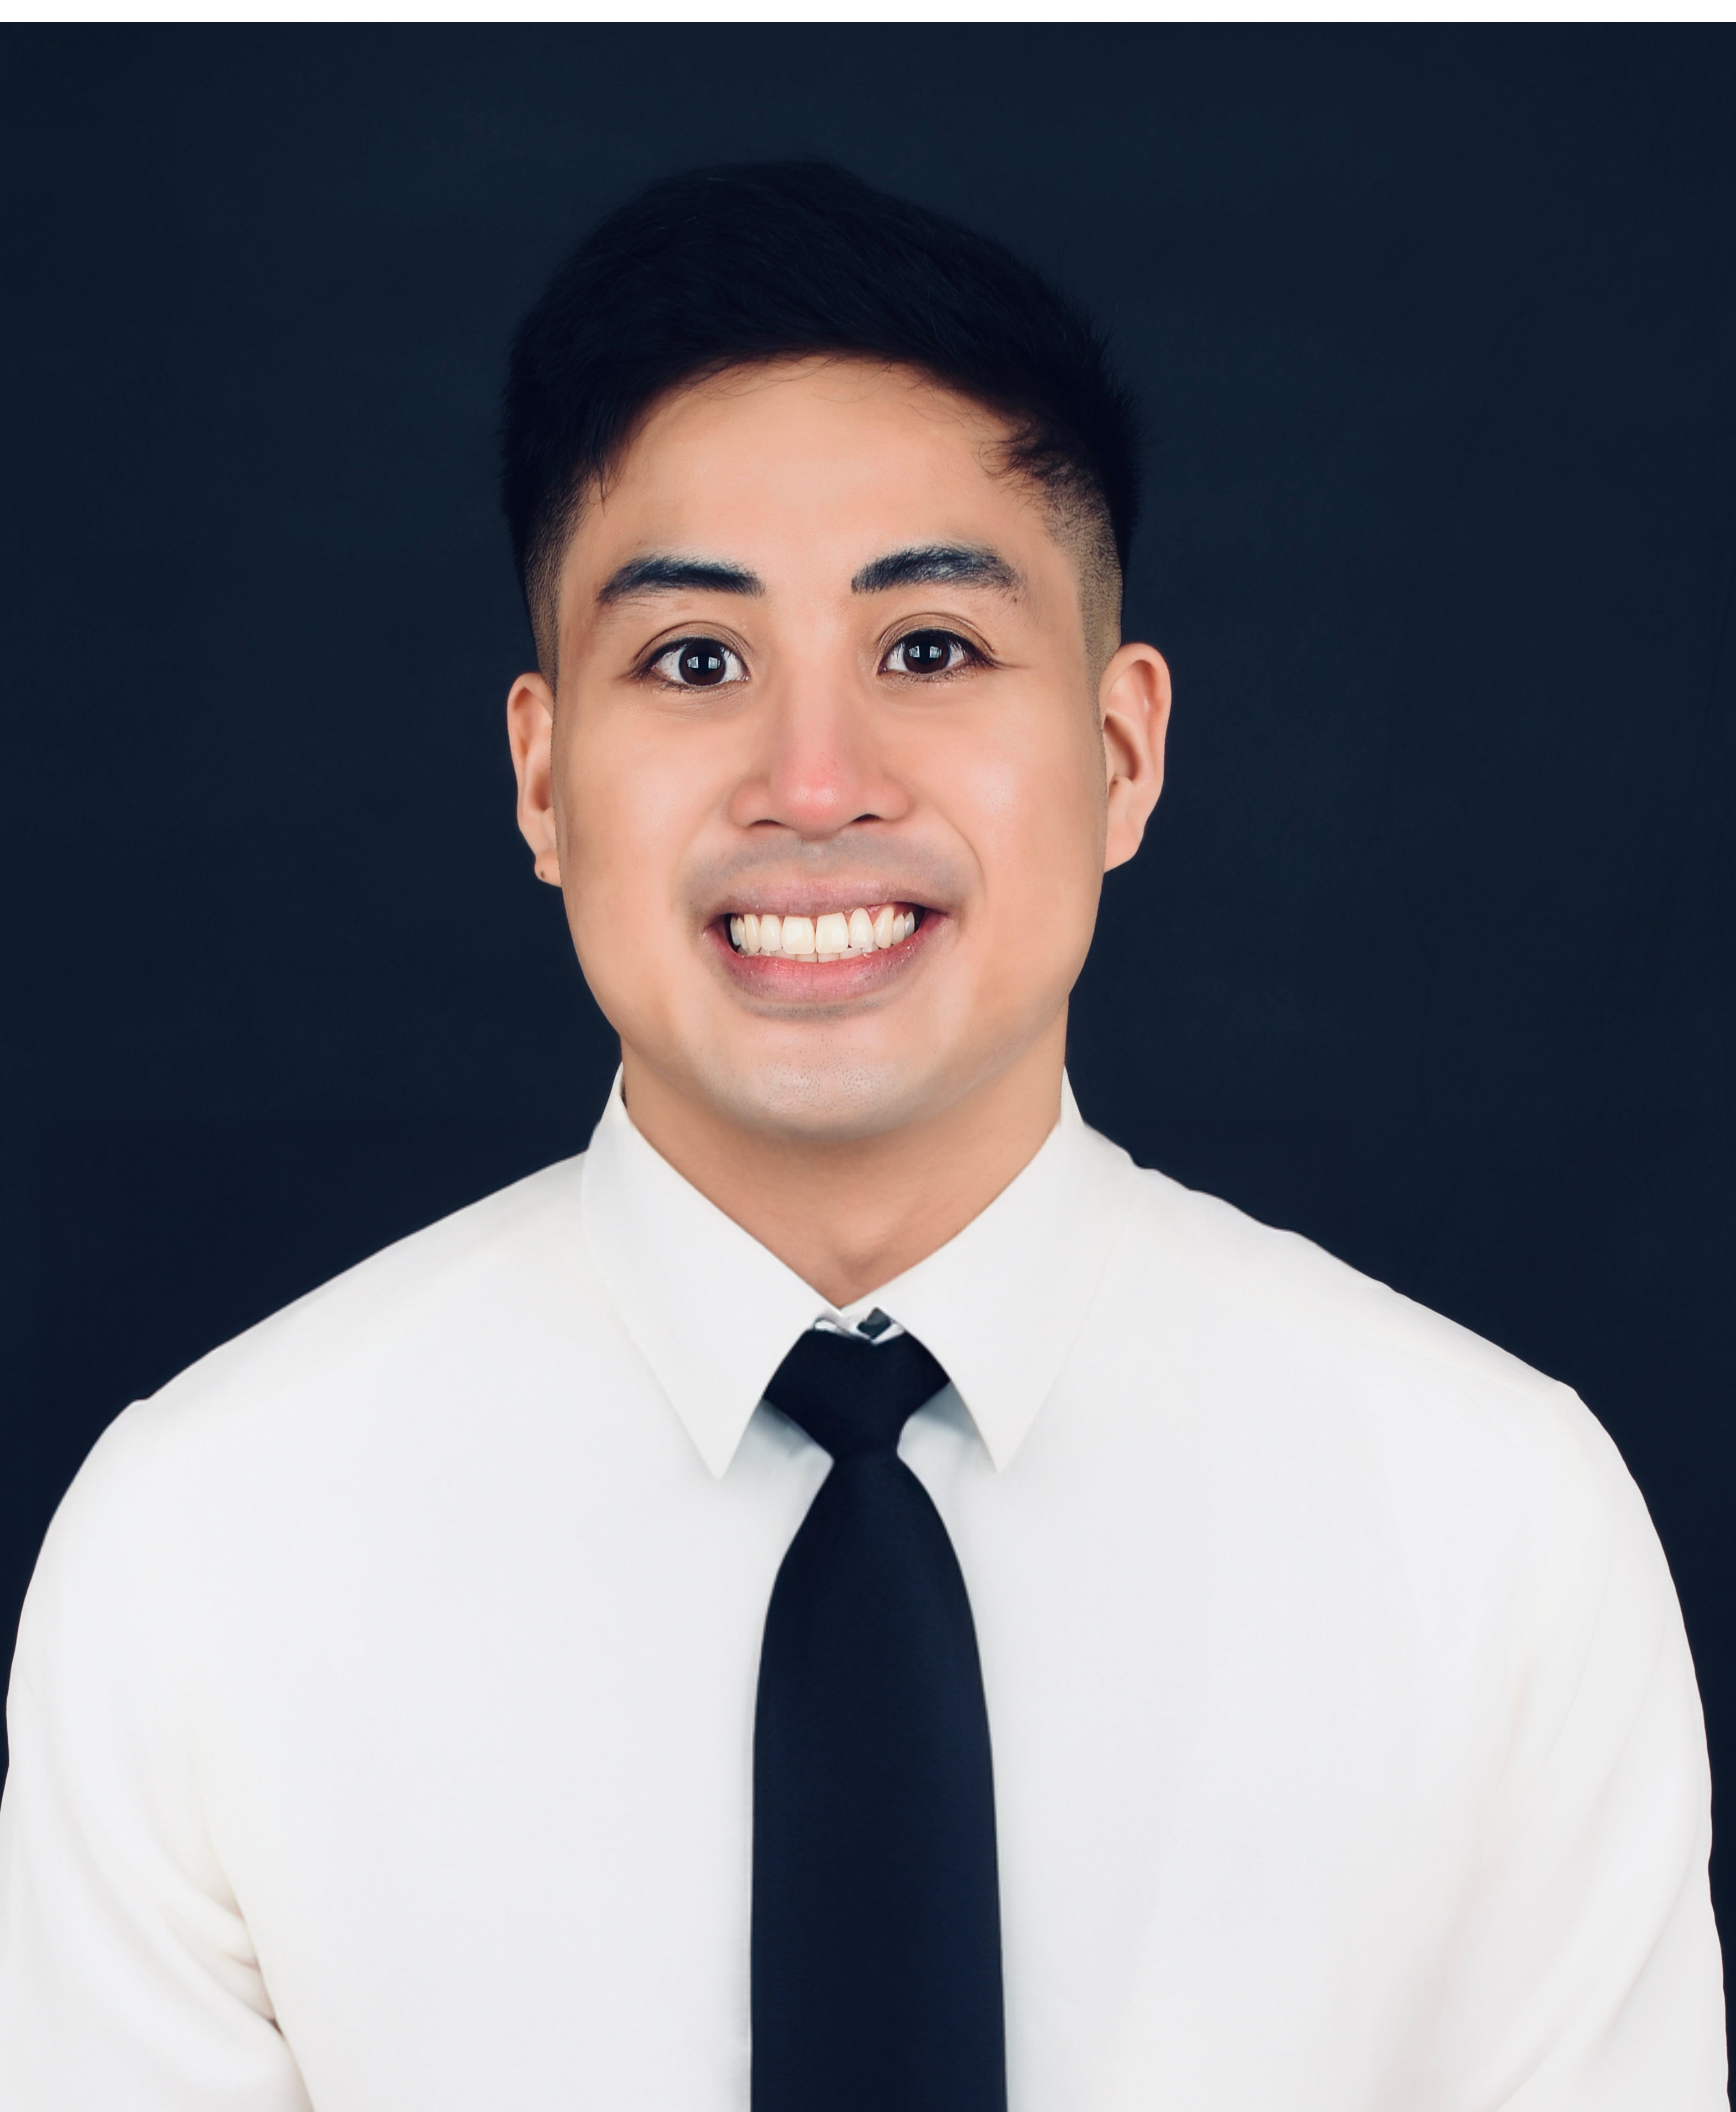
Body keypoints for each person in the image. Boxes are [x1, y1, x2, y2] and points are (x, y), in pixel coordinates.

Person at [0, 161, 1723, 2112]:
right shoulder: (205, 1553)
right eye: (694, 661)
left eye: (928, 648)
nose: (812, 786)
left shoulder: (1492, 1531)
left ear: (1120, 750)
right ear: (543, 776)